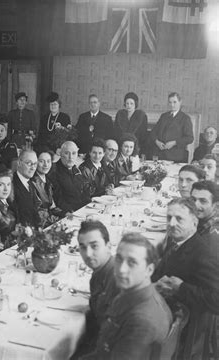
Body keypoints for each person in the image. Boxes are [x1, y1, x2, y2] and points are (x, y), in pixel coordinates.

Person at [82, 233, 172, 360]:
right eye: (119, 259)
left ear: (149, 270)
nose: (121, 269)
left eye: (132, 262)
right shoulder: (129, 295)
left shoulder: (141, 322)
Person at [153, 198, 219, 360]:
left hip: (185, 328)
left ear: (194, 222)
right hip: (167, 310)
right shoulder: (177, 241)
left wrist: (181, 288)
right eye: (169, 218)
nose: (172, 223)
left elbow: (216, 299)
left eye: (179, 218)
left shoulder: (203, 254)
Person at [77, 221, 119, 348]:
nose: (88, 254)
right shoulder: (101, 272)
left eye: (94, 246)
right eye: (83, 247)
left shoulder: (117, 279)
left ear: (108, 246)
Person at [48, 141, 91, 214]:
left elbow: (84, 192)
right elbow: (58, 200)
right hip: (67, 213)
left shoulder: (76, 169)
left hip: (81, 210)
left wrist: (89, 205)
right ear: (60, 154)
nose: (71, 157)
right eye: (67, 153)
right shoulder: (54, 171)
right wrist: (72, 212)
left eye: (74, 153)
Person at [151, 92, 194, 163]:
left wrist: (174, 142)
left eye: (174, 102)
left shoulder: (185, 118)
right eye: (170, 102)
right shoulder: (164, 116)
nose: (172, 105)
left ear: (180, 102)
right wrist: (157, 142)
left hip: (176, 157)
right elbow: (153, 132)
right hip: (160, 154)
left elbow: (190, 138)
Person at [31, 151, 63, 226]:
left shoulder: (48, 180)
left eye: (48, 161)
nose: (46, 165)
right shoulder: (33, 182)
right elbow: (39, 213)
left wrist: (65, 213)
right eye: (41, 161)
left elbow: (53, 207)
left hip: (51, 219)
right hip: (42, 224)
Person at [13, 150, 41, 227]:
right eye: (29, 163)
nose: (33, 168)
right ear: (19, 163)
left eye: (35, 164)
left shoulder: (30, 183)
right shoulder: (11, 185)